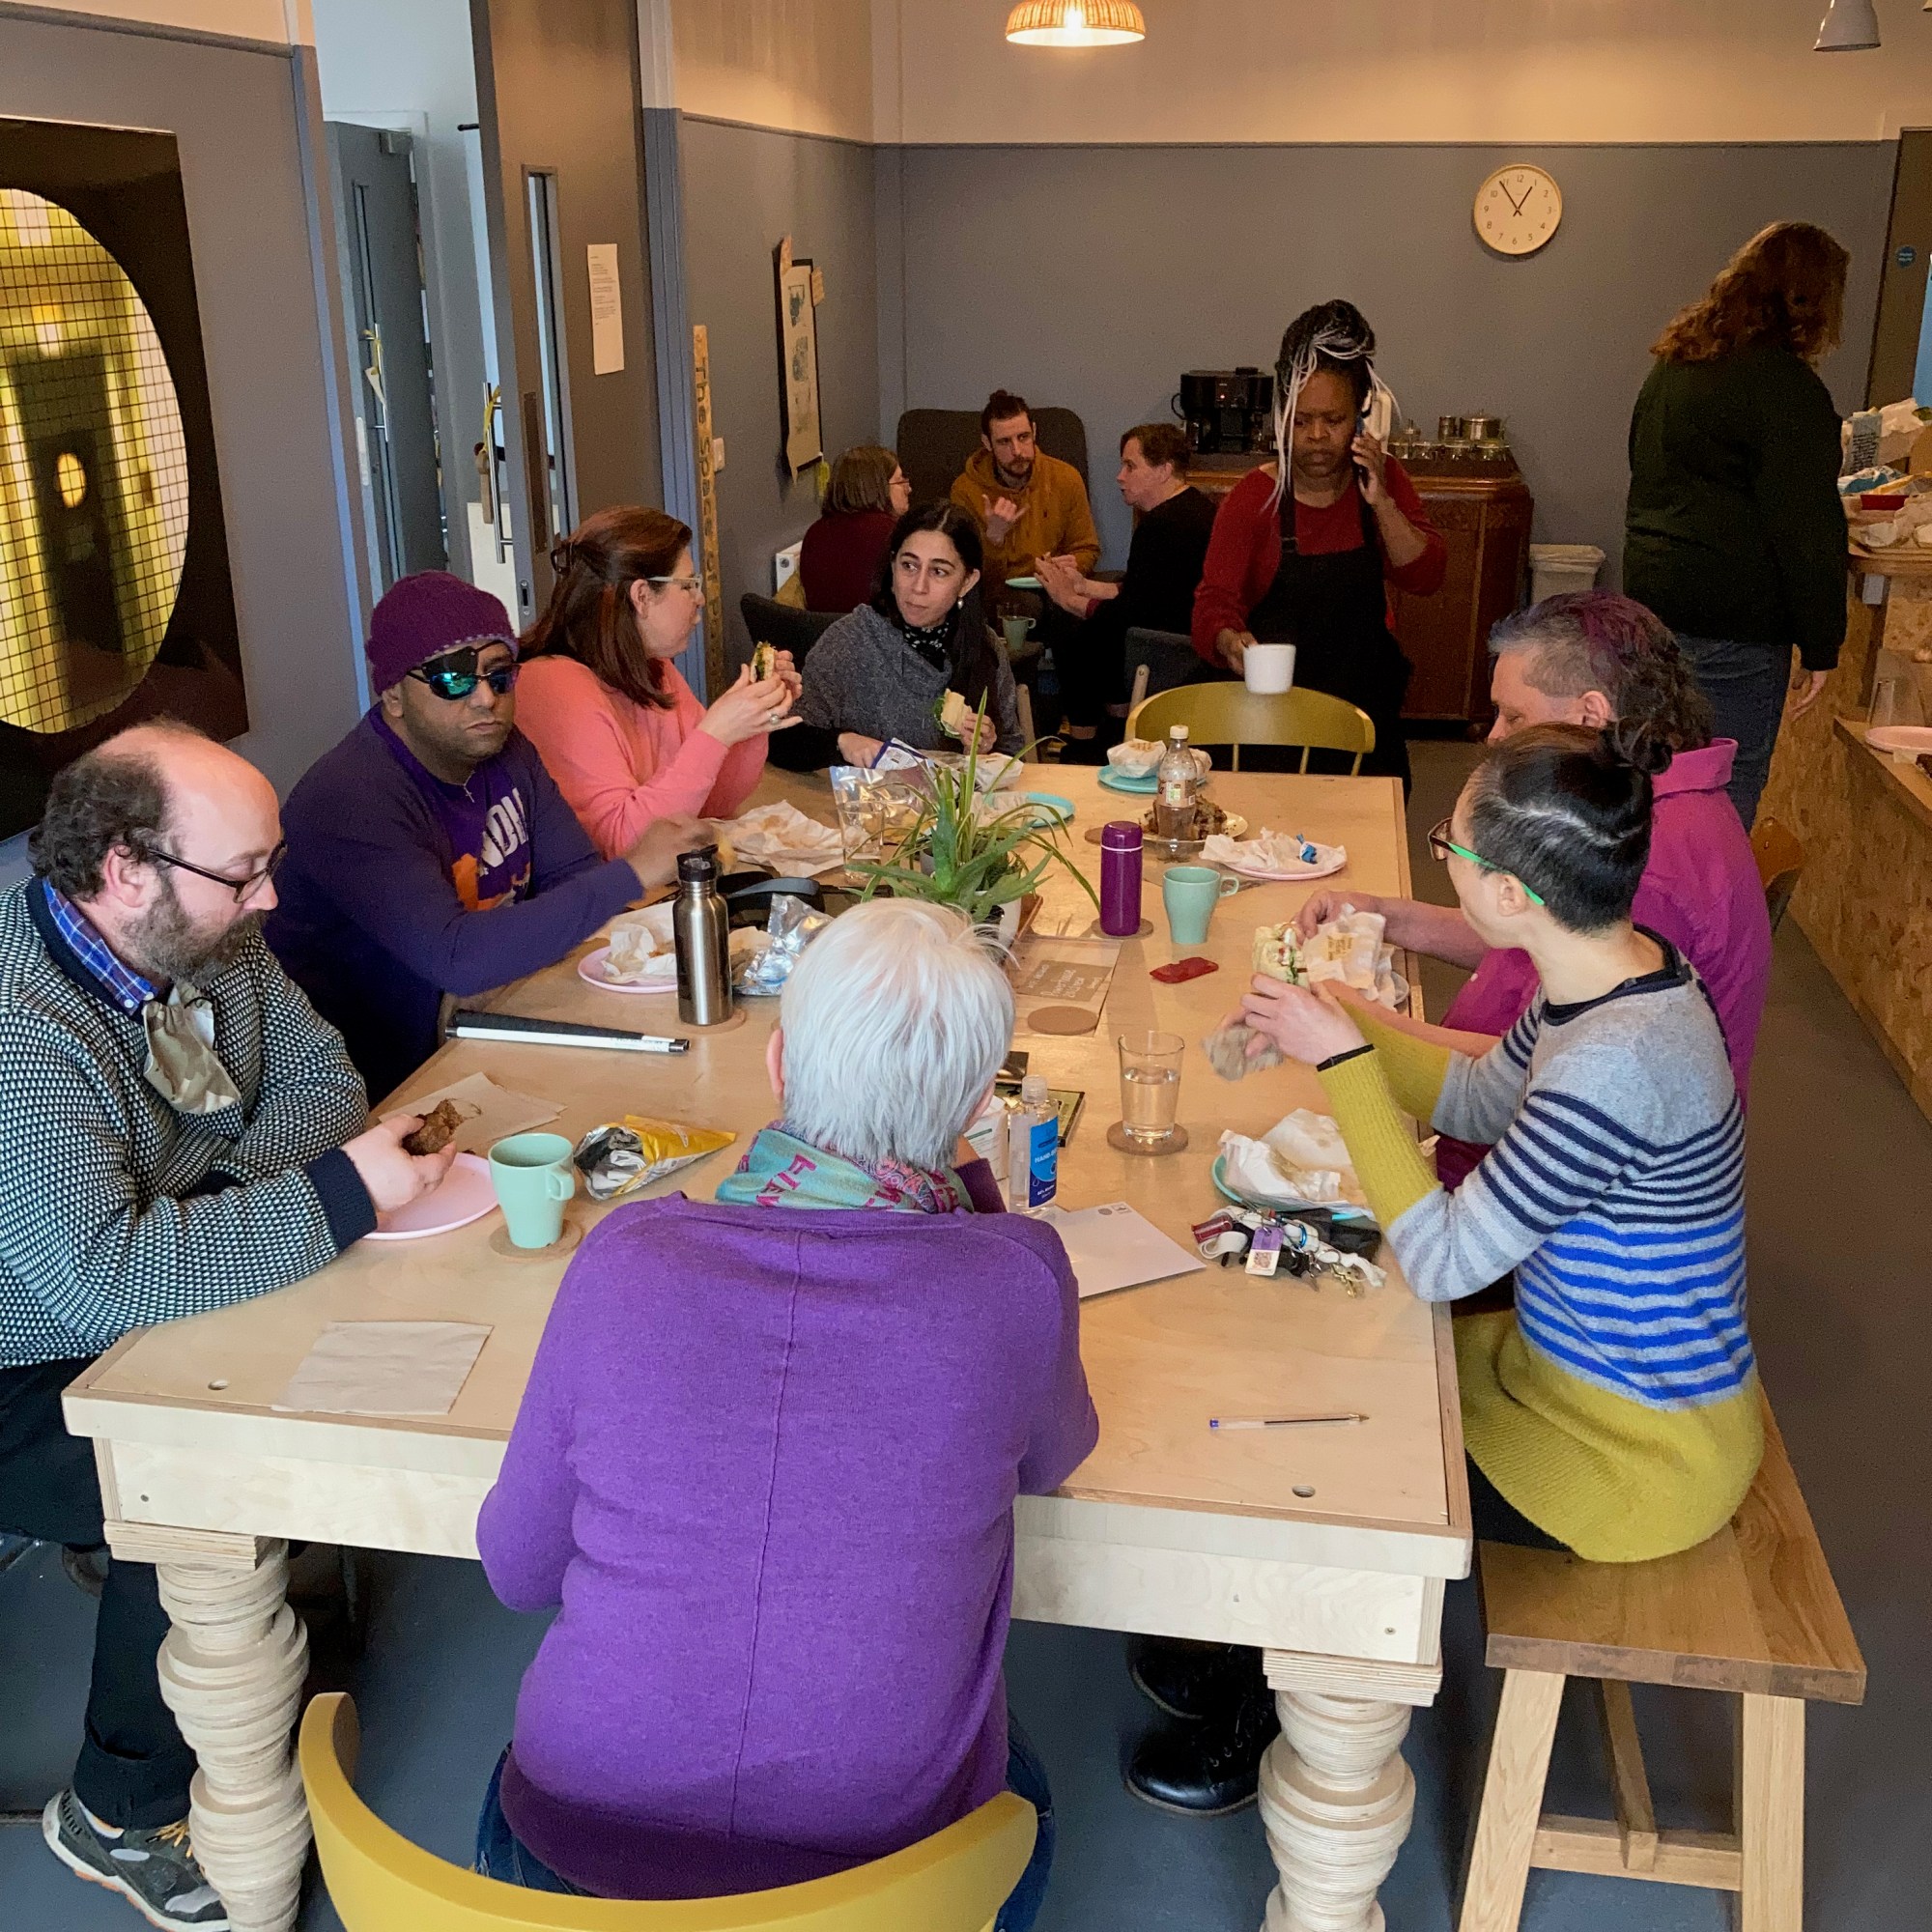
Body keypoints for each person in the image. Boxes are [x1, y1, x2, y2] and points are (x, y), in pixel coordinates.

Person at [1134, 723, 1762, 1816]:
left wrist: (1342, 1061)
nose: (1443, 863)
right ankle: (1246, 1646)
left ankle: (1275, 1708)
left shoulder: (1616, 1064)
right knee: (1334, 1364)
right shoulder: (1616, 976)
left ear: (1510, 894)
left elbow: (1437, 1257)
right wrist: (1343, 1023)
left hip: (1633, 1452)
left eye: (1450, 848)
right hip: (1584, 1378)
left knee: (1341, 1463)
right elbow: (1477, 1098)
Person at [473, 899, 1096, 1929]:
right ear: (981, 1099)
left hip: (569, 1862)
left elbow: (516, 1570)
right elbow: (1053, 1459)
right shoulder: (1015, 1280)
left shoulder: (625, 1259)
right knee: (1021, 1794)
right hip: (883, 1879)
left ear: (776, 1065)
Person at [0, 724, 453, 1931]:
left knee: (306, 1380)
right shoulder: (20, 1024)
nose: (270, 898)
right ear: (123, 868)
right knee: (204, 1477)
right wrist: (328, 1196)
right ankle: (118, 1807)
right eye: (245, 871)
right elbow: (103, 1280)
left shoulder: (203, 933)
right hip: (18, 1354)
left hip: (113, 1297)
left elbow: (327, 1082)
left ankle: (204, 1613)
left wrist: (205, 1212)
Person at [1295, 592, 1772, 1186]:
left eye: (1514, 717)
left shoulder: (1649, 865)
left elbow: (1543, 1079)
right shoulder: (1630, 812)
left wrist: (1347, 1026)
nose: (1495, 736)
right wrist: (1385, 917)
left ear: (1591, 715)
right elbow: (1527, 933)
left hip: (1538, 1171)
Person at [267, 571, 700, 1101]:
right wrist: (632, 872)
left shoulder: (505, 749)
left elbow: (573, 874)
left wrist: (506, 959)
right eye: (452, 678)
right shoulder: (351, 798)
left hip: (481, 1028)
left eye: (498, 675)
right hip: (368, 1086)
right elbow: (459, 958)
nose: (484, 699)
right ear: (394, 695)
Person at [1624, 220, 1851, 829]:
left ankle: (1638, 890)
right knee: (1722, 791)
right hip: (1733, 626)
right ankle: (1702, 896)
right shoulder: (1785, 388)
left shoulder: (1674, 367)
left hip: (1651, 606)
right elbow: (1806, 528)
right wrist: (1823, 642)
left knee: (1648, 779)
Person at [1192, 300, 1446, 788]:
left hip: (1364, 722)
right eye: (1301, 420)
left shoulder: (1385, 479)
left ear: (1361, 415)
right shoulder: (1254, 499)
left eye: (1333, 419)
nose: (1316, 436)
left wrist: (1382, 502)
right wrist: (1229, 641)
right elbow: (1212, 605)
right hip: (1273, 727)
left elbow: (1426, 576)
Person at [513, 508, 801, 859]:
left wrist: (754, 717)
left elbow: (711, 802)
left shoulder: (653, 667)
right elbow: (626, 847)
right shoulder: (552, 685)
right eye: (688, 584)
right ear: (642, 596)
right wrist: (716, 732)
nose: (700, 598)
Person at [771, 503, 1024, 769]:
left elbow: (1013, 753)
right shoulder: (850, 641)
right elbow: (784, 739)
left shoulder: (984, 646)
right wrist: (841, 741)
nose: (918, 586)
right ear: (892, 567)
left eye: (938, 571)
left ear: (967, 582)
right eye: (909, 566)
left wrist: (986, 750)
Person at [1036, 422, 1217, 759]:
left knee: (1071, 627)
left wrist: (1068, 599)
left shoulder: (1161, 526)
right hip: (1176, 634)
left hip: (1168, 650)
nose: (1120, 476)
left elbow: (1133, 611)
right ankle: (1109, 728)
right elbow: (1146, 590)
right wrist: (1083, 585)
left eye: (1130, 466)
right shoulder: (1195, 509)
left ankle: (1087, 743)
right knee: (1088, 624)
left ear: (1163, 470)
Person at [949, 389, 1100, 605]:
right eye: (1004, 442)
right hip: (1001, 594)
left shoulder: (1066, 478)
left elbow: (1087, 548)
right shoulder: (965, 490)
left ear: (1034, 432)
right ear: (987, 443)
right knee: (1026, 605)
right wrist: (994, 539)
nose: (1017, 451)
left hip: (1057, 588)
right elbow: (967, 576)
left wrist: (1074, 564)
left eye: (1023, 437)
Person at [799, 445, 912, 612]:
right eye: (900, 481)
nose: (908, 489)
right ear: (877, 487)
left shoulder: (814, 533)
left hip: (825, 629)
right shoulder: (896, 534)